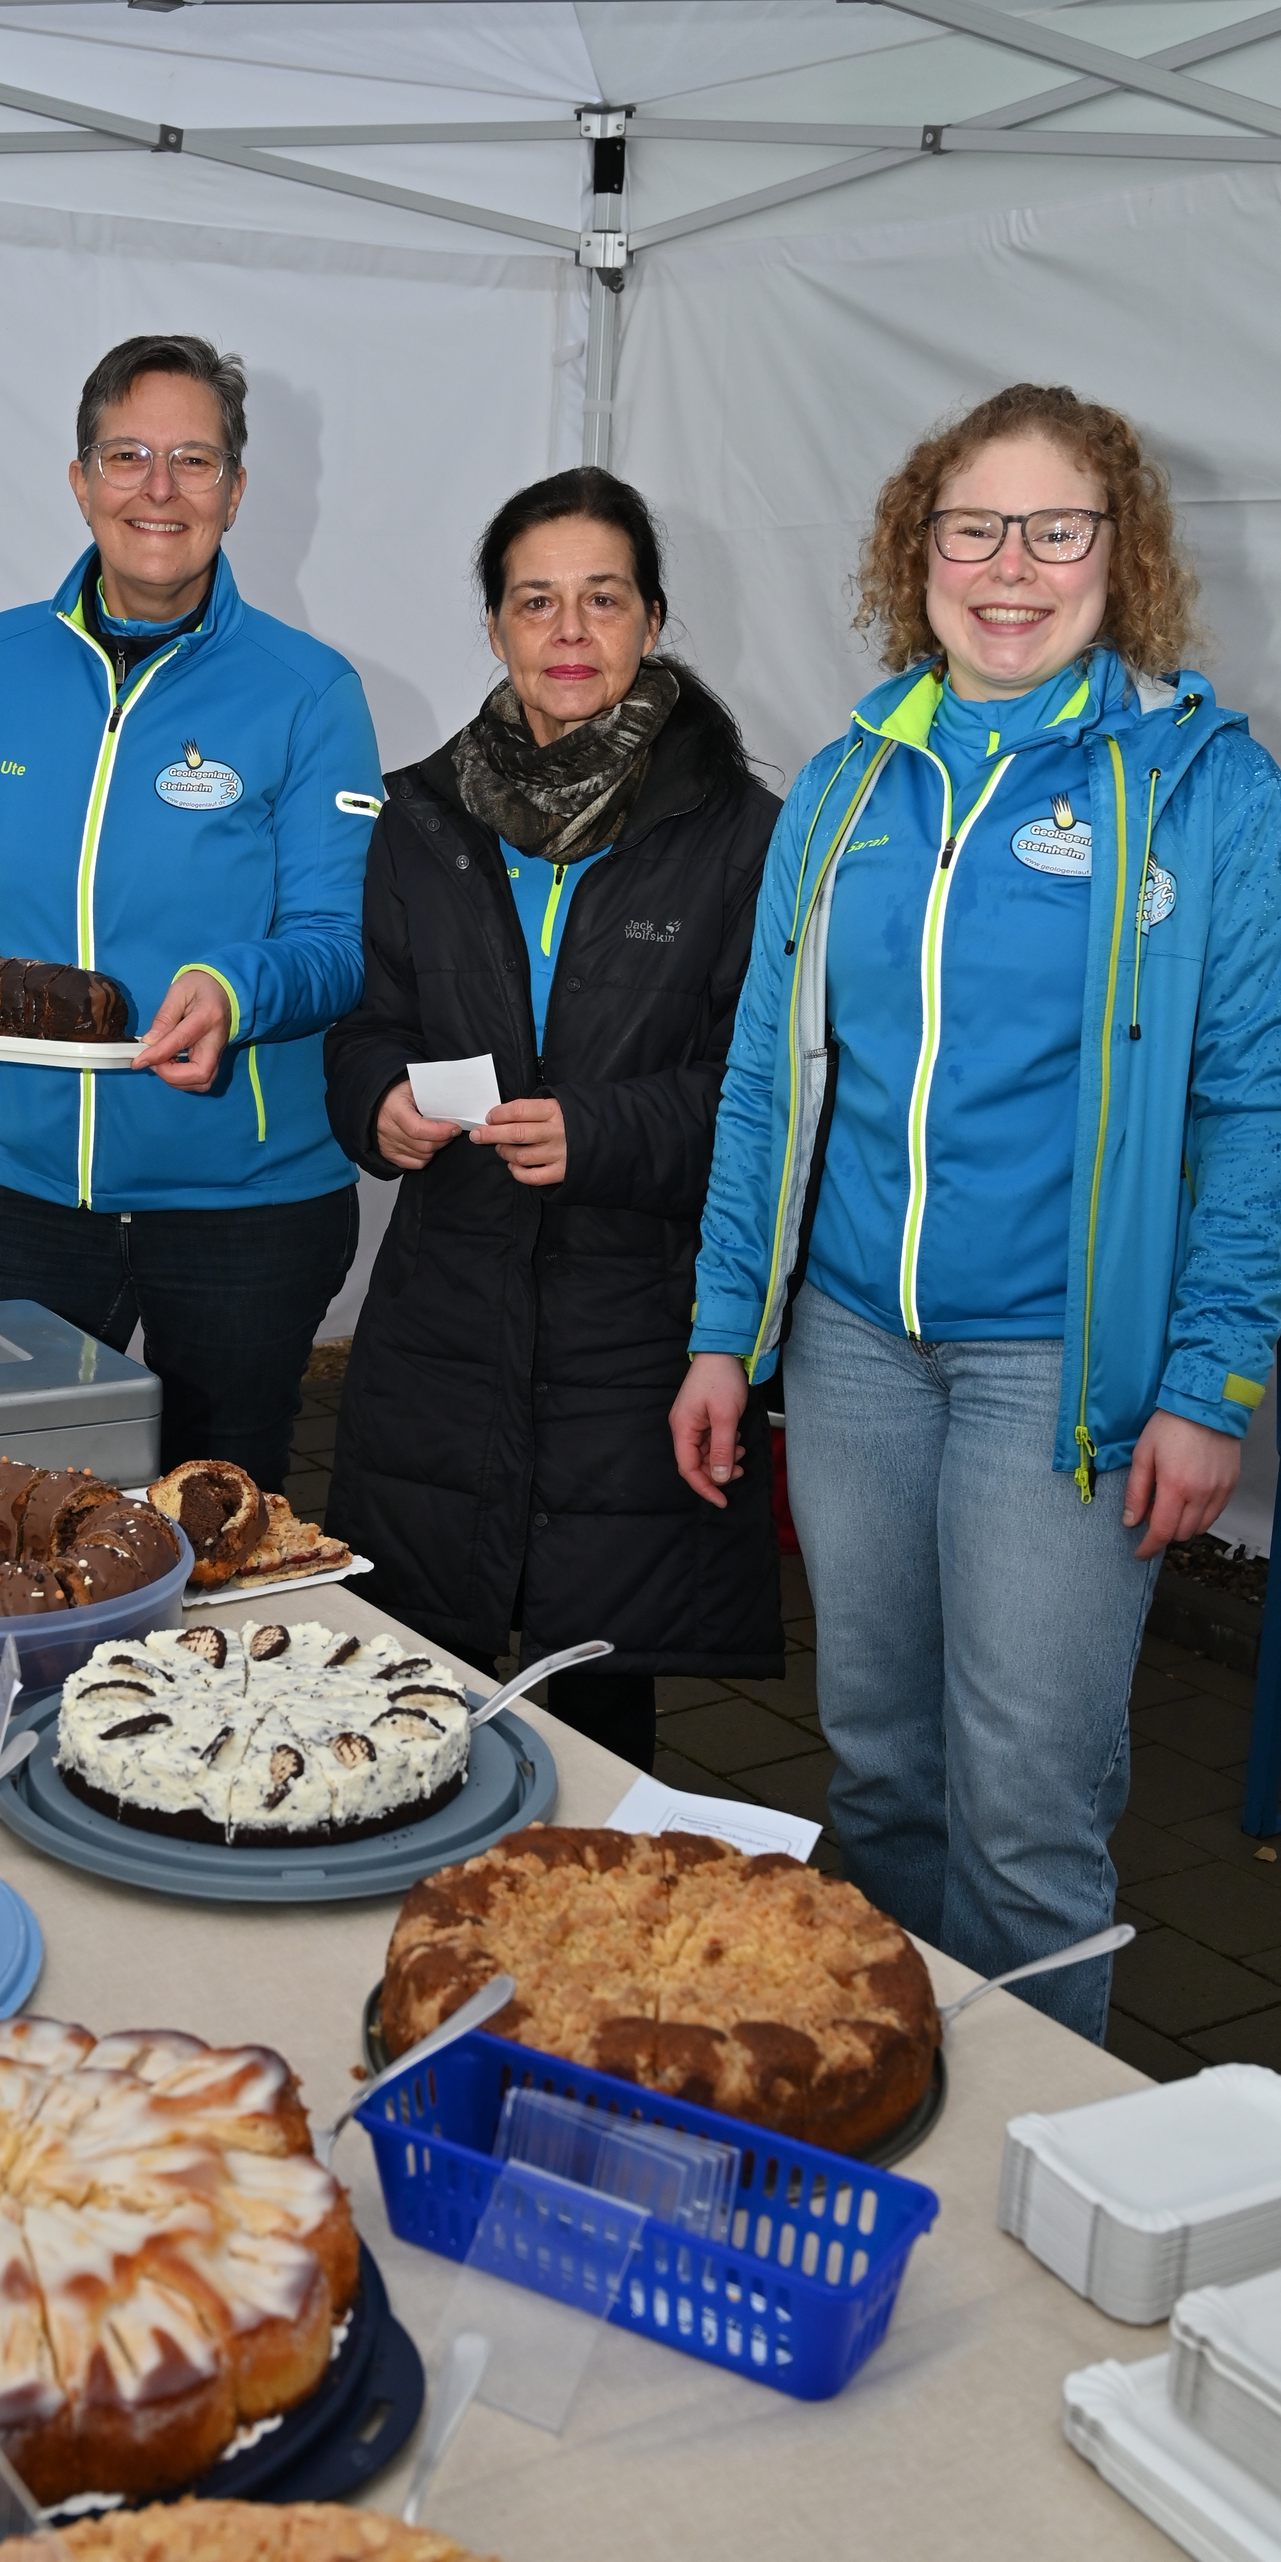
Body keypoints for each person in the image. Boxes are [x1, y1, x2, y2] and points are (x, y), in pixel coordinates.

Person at [671, 383, 1281, 2037]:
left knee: (1027, 1812)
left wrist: (1208, 1381)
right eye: (973, 527)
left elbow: (1256, 1109)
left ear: (1119, 552)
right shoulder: (847, 780)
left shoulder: (1207, 791)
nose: (1009, 566)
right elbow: (765, 1080)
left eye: (1053, 528)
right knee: (879, 1772)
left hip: (1064, 1369)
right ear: (919, 550)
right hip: (851, 1350)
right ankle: (890, 2100)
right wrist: (723, 1329)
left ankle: (1032, 2158)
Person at [0, 333, 382, 1491]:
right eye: (126, 456)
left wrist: (230, 986)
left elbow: (335, 943)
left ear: (234, 491)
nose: (158, 489)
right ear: (79, 480)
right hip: (20, 1188)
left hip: (243, 1205)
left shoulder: (309, 690)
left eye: (193, 460)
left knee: (214, 1524)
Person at [324, 469, 784, 1767]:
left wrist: (604, 1130)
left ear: (653, 619)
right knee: (407, 1709)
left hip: (632, 1330)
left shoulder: (742, 834)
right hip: (444, 1324)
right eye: (536, 601)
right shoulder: (419, 817)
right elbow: (364, 1023)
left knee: (595, 1712)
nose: (568, 631)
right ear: (494, 627)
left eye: (603, 598)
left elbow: (771, 1095)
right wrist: (377, 1102)